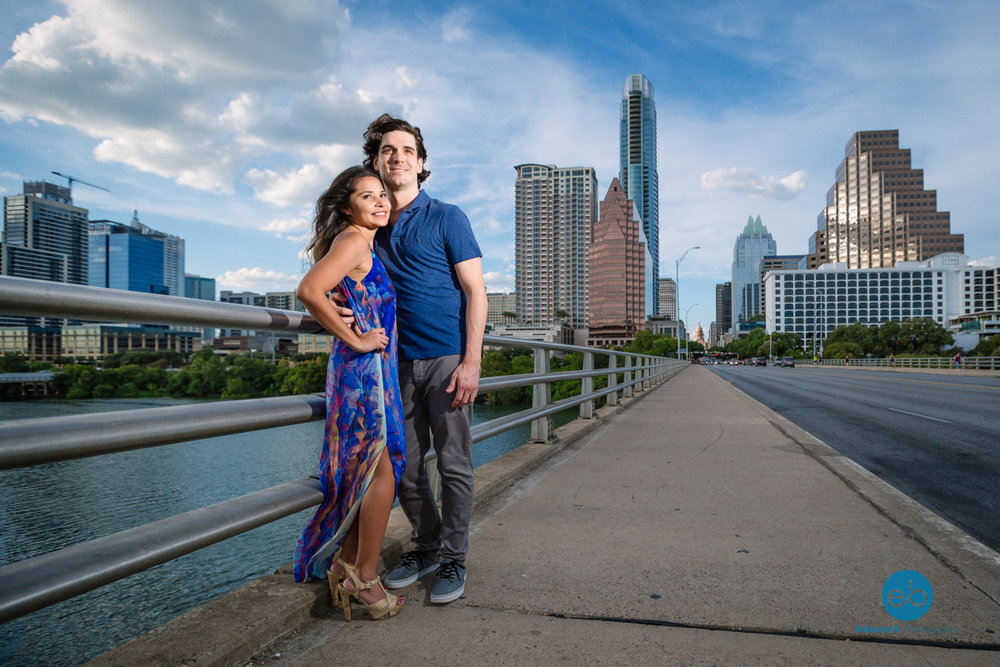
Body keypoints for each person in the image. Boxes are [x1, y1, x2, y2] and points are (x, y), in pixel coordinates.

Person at [352, 113, 487, 604]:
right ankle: (426, 545)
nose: (398, 157)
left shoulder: (448, 216)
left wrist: (471, 361)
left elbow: (476, 292)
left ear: (421, 163)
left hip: (448, 358)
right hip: (394, 364)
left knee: (453, 464)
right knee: (403, 467)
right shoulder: (370, 224)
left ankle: (453, 558)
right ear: (376, 162)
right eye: (389, 150)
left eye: (407, 150)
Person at [292, 166, 405, 622]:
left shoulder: (363, 243)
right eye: (367, 196)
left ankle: (347, 564)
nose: (381, 202)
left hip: (375, 372)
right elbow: (309, 290)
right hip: (363, 375)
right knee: (382, 473)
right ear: (346, 207)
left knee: (373, 470)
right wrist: (356, 339)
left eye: (383, 194)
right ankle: (365, 577)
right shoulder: (355, 240)